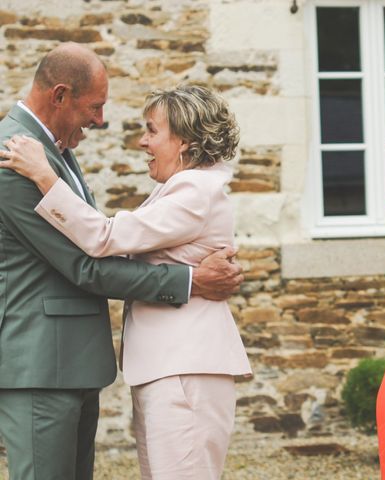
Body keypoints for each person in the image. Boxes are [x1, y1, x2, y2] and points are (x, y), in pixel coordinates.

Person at [0, 44, 242, 480]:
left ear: (184, 142)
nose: (102, 120)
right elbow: (84, 265)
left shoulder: (191, 190)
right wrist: (190, 280)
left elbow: (104, 237)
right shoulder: (14, 157)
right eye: (95, 106)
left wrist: (46, 175)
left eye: (152, 131)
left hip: (176, 363)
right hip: (46, 360)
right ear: (59, 95)